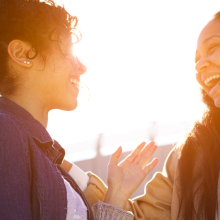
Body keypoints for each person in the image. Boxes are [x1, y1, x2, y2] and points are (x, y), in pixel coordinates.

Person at [0, 0, 159, 219]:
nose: (82, 67)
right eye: (68, 51)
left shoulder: (46, 159)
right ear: (22, 53)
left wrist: (117, 195)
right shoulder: (5, 131)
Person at [67, 11, 220, 220]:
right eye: (197, 58)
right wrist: (117, 194)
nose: (199, 65)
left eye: (212, 47)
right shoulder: (189, 156)